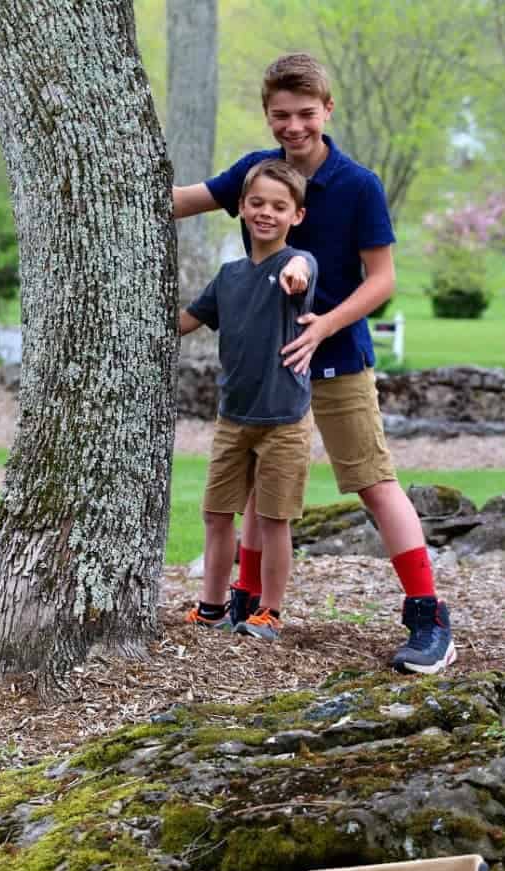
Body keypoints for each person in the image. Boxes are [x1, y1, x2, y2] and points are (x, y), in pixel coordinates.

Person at [174, 52, 456, 674]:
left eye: (305, 114)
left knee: (373, 483)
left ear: (327, 110)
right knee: (255, 487)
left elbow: (381, 281)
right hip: (267, 370)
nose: (293, 126)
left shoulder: (358, 185)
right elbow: (181, 200)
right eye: (280, 115)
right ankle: (248, 601)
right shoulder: (258, 173)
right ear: (267, 115)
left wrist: (325, 324)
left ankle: (427, 613)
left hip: (336, 362)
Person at [181, 159, 317, 641]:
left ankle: (269, 611)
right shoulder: (229, 276)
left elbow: (302, 268)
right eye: (256, 203)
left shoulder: (297, 266)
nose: (266, 213)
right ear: (239, 208)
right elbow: (188, 320)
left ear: (296, 216)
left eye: (279, 207)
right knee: (217, 515)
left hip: (284, 420)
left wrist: (297, 274)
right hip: (232, 418)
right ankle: (212, 606)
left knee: (275, 519)